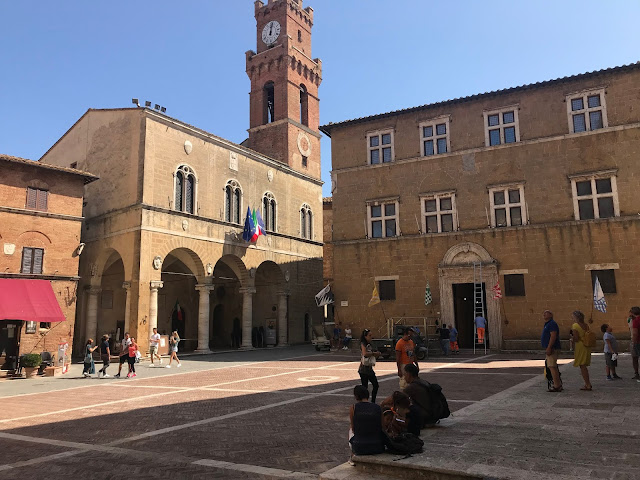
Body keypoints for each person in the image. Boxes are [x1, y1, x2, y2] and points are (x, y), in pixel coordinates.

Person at [349, 385, 385, 458]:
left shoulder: (353, 408)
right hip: (377, 445)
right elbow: (383, 426)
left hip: (359, 446)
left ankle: (352, 455)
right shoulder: (377, 407)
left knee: (350, 430)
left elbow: (353, 428)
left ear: (356, 396)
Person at [402, 363, 432, 430]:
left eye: (405, 374)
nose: (404, 377)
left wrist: (383, 404)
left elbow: (397, 398)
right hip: (431, 414)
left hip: (424, 415)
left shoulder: (412, 387)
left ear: (409, 374)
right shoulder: (424, 382)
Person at [541, 310, 562, 392]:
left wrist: (549, 347)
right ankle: (558, 384)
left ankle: (557, 385)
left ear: (551, 315)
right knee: (552, 366)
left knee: (552, 366)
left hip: (552, 348)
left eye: (546, 313)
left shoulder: (552, 324)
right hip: (550, 347)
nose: (544, 314)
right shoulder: (548, 324)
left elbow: (553, 336)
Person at [571, 310, 592, 391]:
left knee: (582, 366)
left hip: (580, 345)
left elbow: (576, 338)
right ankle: (587, 383)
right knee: (584, 365)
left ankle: (587, 384)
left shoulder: (575, 326)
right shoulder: (586, 325)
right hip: (586, 345)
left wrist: (572, 339)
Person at [359, 329, 381, 403]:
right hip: (363, 369)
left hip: (369, 368)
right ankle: (364, 402)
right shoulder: (363, 344)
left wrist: (376, 353)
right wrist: (373, 353)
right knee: (365, 387)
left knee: (376, 385)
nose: (371, 337)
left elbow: (373, 353)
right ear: (365, 336)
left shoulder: (371, 344)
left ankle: (373, 401)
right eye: (369, 336)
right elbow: (365, 353)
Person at [630, 306, 640, 381]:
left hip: (638, 342)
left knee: (635, 358)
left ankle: (636, 373)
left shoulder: (636, 321)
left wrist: (633, 342)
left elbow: (635, 333)